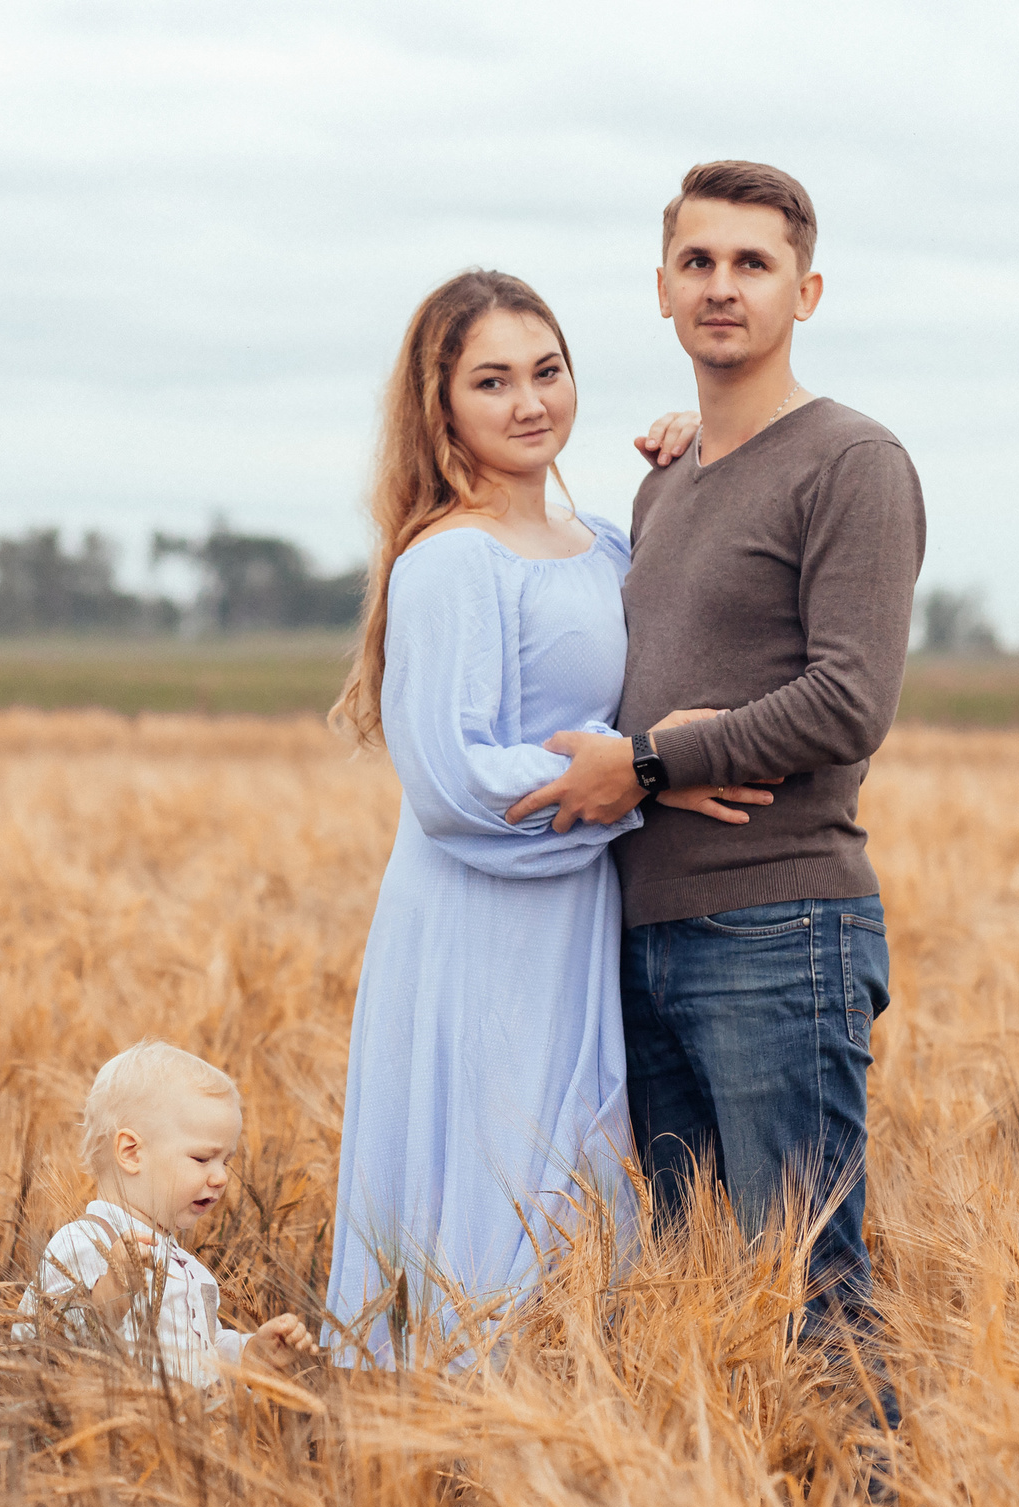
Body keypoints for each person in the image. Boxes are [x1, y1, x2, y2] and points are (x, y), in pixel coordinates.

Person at [509, 161, 926, 1376]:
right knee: (694, 1306)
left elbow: (850, 701)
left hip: (777, 932)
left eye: (753, 263)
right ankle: (725, 1504)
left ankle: (856, 1503)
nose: (722, 287)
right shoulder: (665, 480)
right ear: (660, 289)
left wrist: (647, 762)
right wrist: (648, 768)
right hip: (640, 934)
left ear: (807, 291)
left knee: (808, 1295)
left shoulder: (854, 462)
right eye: (697, 262)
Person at [321, 269, 758, 1367]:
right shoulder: (449, 560)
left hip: (580, 911)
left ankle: (551, 1403)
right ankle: (452, 1416)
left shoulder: (601, 541)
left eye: (547, 371)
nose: (529, 402)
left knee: (574, 1170)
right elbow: (455, 778)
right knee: (491, 1162)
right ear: (439, 406)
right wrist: (643, 779)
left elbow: (667, 656)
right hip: (481, 920)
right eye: (491, 381)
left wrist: (696, 460)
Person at [17, 1040, 314, 1399]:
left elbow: (198, 1351)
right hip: (121, 1430)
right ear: (132, 1152)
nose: (221, 1177)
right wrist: (112, 1293)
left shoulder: (187, 1265)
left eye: (226, 1162)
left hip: (189, 1430)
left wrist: (250, 1352)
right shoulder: (84, 1243)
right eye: (202, 1159)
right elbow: (39, 1344)